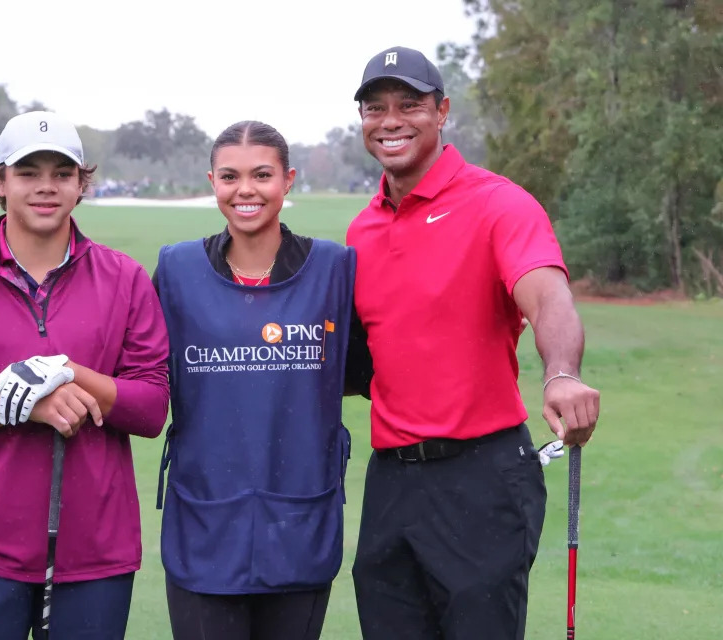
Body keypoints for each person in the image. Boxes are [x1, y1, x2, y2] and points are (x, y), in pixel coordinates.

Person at [346, 47, 602, 640]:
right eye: (375, 108)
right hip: (390, 482)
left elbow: (547, 295)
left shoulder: (499, 204)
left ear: (443, 113)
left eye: (409, 105)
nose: (391, 121)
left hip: (482, 477)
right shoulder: (362, 230)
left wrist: (561, 372)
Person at [0, 110, 170, 640]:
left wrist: (70, 374)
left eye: (62, 173)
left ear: (80, 184)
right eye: (28, 172)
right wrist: (9, 406)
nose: (46, 187)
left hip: (96, 555)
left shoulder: (125, 279)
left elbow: (151, 408)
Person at [154, 121, 356, 640]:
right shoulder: (176, 270)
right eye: (230, 176)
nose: (246, 190)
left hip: (300, 522)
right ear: (212, 182)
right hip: (204, 524)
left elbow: (372, 369)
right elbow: (140, 374)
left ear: (288, 181)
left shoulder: (334, 269)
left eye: (262, 175)